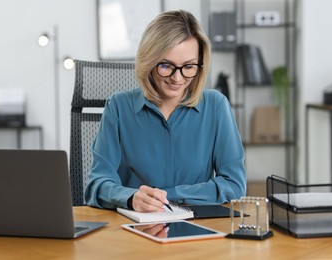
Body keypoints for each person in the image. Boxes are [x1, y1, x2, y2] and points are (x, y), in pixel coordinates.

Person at [85, 10, 246, 213]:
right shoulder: (119, 107)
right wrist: (131, 197)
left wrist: (167, 195)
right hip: (134, 230)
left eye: (188, 66)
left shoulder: (216, 106)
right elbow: (96, 186)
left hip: (198, 229)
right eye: (166, 66)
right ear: (149, 62)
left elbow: (234, 185)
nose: (177, 78)